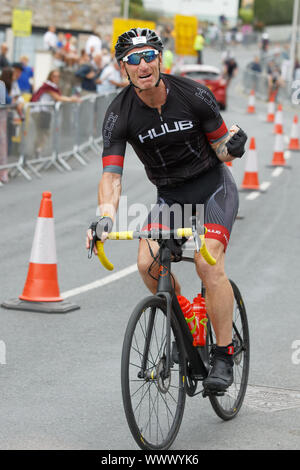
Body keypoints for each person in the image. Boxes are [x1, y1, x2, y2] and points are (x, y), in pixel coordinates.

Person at [86, 28, 248, 393]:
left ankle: (223, 353)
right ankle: (187, 319)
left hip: (212, 189)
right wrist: (106, 215)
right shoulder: (119, 114)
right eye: (133, 59)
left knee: (209, 264)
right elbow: (111, 174)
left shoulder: (194, 95)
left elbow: (222, 150)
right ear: (123, 68)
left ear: (160, 59)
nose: (142, 64)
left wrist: (234, 146)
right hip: (171, 198)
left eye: (148, 56)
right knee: (147, 263)